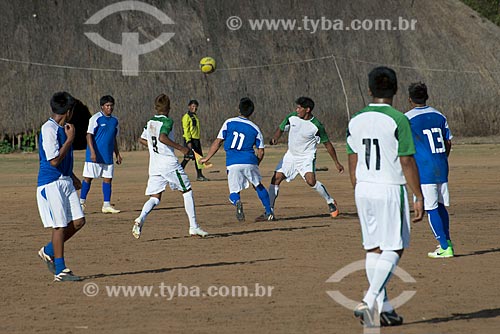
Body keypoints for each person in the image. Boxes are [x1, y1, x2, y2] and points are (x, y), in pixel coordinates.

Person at [346, 66, 424, 327]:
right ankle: (368, 300)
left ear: (369, 89)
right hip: (389, 187)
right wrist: (419, 196)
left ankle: (385, 309)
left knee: (374, 247)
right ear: (396, 89)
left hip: (364, 188)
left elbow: (352, 157)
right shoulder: (398, 119)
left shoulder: (355, 119)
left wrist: (357, 186)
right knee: (395, 246)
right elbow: (406, 161)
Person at [132, 94, 208, 239]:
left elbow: (142, 139)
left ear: (156, 108)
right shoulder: (167, 121)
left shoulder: (150, 122)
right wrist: (182, 148)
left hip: (154, 166)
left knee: (155, 197)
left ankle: (140, 218)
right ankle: (193, 226)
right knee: (187, 191)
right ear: (169, 108)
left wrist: (155, 148)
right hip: (168, 164)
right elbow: (162, 137)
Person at [36, 91, 86, 282]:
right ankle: (60, 270)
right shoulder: (48, 129)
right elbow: (54, 160)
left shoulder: (64, 127)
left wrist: (72, 176)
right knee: (59, 226)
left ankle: (48, 250)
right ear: (68, 110)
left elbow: (62, 160)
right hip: (51, 183)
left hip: (65, 180)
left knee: (79, 221)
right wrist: (70, 140)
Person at [267, 96, 344, 218]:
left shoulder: (317, 126)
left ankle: (330, 201)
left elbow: (328, 145)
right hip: (291, 155)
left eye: (299, 108)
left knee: (311, 181)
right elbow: (280, 128)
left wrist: (337, 163)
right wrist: (275, 138)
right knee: (275, 178)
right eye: (297, 107)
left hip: (306, 157)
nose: (297, 110)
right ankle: (269, 211)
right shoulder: (292, 117)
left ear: (307, 109)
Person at [200, 97, 274, 222]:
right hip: (250, 160)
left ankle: (237, 202)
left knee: (234, 192)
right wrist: (256, 164)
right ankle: (269, 212)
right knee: (258, 186)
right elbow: (261, 151)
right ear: (252, 112)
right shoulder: (255, 128)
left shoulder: (229, 122)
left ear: (238, 109)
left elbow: (218, 142)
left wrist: (206, 157)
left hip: (233, 163)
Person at [406, 82, 454, 258]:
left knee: (431, 207)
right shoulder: (439, 115)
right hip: (441, 166)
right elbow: (448, 141)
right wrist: (442, 159)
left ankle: (444, 246)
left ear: (409, 98)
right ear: (427, 96)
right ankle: (447, 241)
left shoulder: (407, 118)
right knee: (440, 205)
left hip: (424, 169)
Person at [79, 95, 122, 214]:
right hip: (94, 156)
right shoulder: (95, 118)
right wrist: (92, 152)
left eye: (111, 106)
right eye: (107, 106)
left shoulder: (115, 121)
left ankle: (106, 205)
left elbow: (113, 138)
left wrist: (117, 153)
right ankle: (81, 203)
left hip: (107, 156)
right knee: (88, 178)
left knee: (108, 179)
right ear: (102, 107)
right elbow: (89, 135)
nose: (110, 108)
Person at [180, 99, 208, 181]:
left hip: (196, 139)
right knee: (187, 157)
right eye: (193, 106)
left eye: (196, 107)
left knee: (198, 158)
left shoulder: (195, 116)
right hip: (190, 140)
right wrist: (188, 141)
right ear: (189, 107)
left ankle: (200, 175)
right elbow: (186, 129)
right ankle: (178, 174)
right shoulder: (186, 117)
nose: (194, 108)